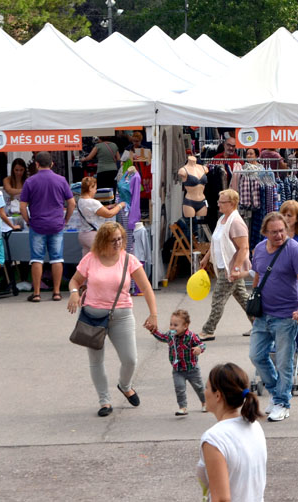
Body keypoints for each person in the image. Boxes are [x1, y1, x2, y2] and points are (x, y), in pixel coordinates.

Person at [66, 222, 159, 416]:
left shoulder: (129, 260)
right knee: (96, 361)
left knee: (130, 359)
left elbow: (147, 287)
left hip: (122, 315)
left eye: (120, 239)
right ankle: (104, 401)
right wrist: (74, 293)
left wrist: (153, 314)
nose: (118, 243)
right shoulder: (90, 259)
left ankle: (124, 385)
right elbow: (75, 280)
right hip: (93, 316)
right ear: (102, 241)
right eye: (113, 240)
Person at [248, 212, 298, 422]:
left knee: (284, 362)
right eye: (274, 232)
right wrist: (253, 305)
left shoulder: (294, 250)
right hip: (263, 314)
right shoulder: (258, 248)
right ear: (265, 232)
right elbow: (257, 275)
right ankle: (276, 394)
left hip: (286, 315)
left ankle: (283, 403)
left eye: (282, 230)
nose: (279, 235)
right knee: (256, 356)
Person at [196, 362, 267, 502]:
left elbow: (222, 499)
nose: (204, 392)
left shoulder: (214, 439)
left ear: (218, 395)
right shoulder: (255, 426)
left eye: (207, 387)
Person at [20, 152, 76, 302]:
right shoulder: (61, 180)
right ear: (52, 164)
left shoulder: (30, 181)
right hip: (56, 224)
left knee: (37, 259)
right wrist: (66, 219)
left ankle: (37, 293)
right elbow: (71, 203)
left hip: (37, 224)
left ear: (36, 164)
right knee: (57, 258)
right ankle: (56, 292)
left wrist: (28, 221)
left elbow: (22, 206)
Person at [200, 189, 251, 340]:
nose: (218, 204)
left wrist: (236, 268)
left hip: (230, 269)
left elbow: (244, 247)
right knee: (243, 298)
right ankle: (261, 325)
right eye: (219, 201)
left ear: (232, 203)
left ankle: (208, 330)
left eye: (222, 202)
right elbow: (216, 241)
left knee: (218, 298)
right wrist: (206, 258)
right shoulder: (222, 219)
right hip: (223, 266)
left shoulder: (236, 222)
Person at [149, 308, 207, 416]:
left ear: (185, 326)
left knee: (199, 387)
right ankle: (182, 407)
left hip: (192, 368)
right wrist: (153, 330)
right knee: (179, 388)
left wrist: (199, 349)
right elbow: (162, 337)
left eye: (175, 325)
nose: (172, 327)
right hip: (177, 369)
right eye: (171, 324)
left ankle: (205, 402)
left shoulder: (191, 336)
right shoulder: (171, 335)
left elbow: (202, 344)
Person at [75, 176, 125, 256]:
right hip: (93, 235)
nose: (95, 191)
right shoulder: (93, 202)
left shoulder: (80, 200)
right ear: (90, 188)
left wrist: (109, 207)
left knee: (87, 261)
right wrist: (120, 205)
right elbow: (109, 214)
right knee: (102, 258)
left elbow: (95, 211)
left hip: (83, 234)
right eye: (95, 188)